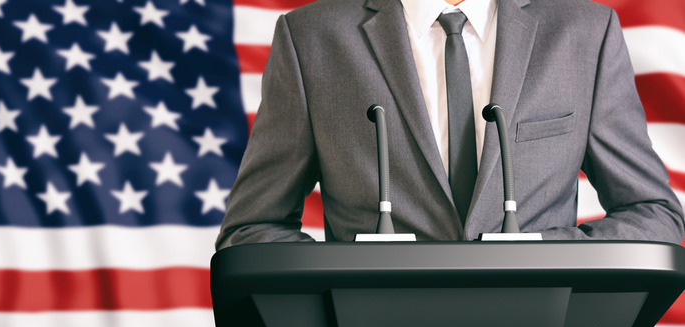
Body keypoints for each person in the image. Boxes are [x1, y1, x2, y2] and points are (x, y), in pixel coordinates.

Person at [215, 0, 684, 250]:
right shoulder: (312, 37)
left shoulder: (586, 33)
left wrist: (544, 253)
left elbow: (654, 216)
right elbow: (252, 229)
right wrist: (344, 276)